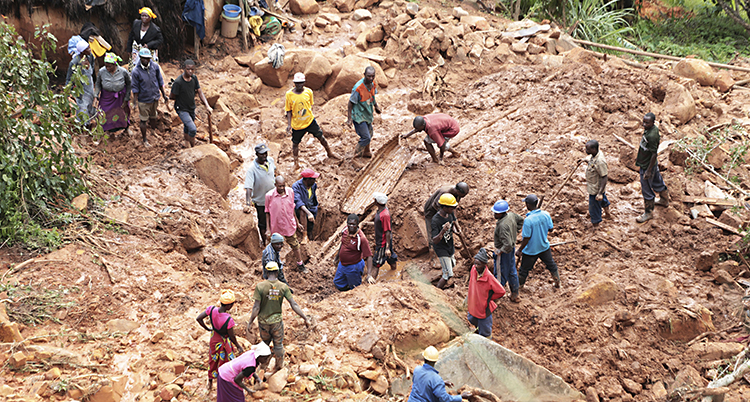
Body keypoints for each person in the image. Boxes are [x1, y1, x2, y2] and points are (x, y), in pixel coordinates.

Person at [247, 261, 311, 373]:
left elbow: (256, 307)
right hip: (276, 322)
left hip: (263, 322)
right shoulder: (283, 287)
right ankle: (279, 366)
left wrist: (250, 321)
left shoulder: (260, 287)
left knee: (265, 344)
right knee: (278, 344)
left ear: (266, 272)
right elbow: (293, 304)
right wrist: (304, 318)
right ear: (277, 272)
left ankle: (263, 367)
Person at [285, 72, 340, 170]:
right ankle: (296, 163)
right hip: (297, 125)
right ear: (294, 83)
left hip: (310, 121)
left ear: (304, 83)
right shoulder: (289, 95)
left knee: (321, 137)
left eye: (301, 83)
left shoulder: (309, 92)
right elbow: (288, 110)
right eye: (297, 83)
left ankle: (329, 152)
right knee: (295, 144)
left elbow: (310, 105)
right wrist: (289, 124)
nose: (299, 85)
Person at [195, 289, 245, 392]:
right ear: (228, 306)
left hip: (214, 339)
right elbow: (232, 336)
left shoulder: (211, 309)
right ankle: (224, 384)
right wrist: (238, 346)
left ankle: (210, 383)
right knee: (226, 362)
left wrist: (208, 328)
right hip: (223, 342)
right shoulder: (228, 319)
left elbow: (199, 318)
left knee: (213, 360)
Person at [515, 194, 560, 289]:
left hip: (531, 250)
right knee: (551, 265)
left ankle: (519, 287)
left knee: (523, 270)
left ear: (528, 204)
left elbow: (526, 238)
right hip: (544, 246)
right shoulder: (546, 214)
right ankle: (557, 282)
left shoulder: (528, 220)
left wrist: (520, 250)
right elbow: (551, 229)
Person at [265, 176, 307, 272]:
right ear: (275, 185)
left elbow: (292, 208)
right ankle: (274, 265)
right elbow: (267, 212)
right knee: (275, 247)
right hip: (276, 225)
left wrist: (297, 222)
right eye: (279, 186)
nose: (282, 188)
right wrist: (268, 228)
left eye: (283, 186)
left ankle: (300, 264)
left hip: (289, 224)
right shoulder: (269, 196)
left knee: (295, 245)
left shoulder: (290, 192)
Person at [131, 48, 169, 146]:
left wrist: (164, 95)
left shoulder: (155, 66)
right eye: (144, 58)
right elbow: (135, 88)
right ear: (140, 58)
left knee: (153, 116)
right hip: (143, 100)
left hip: (155, 97)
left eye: (148, 58)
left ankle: (153, 131)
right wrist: (135, 103)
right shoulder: (136, 71)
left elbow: (160, 81)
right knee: (143, 119)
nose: (146, 60)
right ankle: (144, 139)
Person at [169, 59, 212, 147]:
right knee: (192, 129)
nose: (190, 71)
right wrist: (182, 98)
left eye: (192, 69)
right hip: (181, 109)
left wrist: (207, 105)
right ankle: (193, 147)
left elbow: (200, 92)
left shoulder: (194, 78)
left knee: (187, 125)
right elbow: (171, 96)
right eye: (188, 69)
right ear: (184, 69)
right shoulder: (178, 82)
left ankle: (186, 141)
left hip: (191, 107)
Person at [636, 113, 669, 223]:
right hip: (651, 163)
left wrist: (648, 171)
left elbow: (654, 153)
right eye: (643, 122)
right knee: (657, 181)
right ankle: (664, 200)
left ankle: (648, 212)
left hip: (647, 165)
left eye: (647, 122)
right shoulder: (649, 130)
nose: (644, 124)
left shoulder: (652, 135)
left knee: (646, 189)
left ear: (653, 122)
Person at [467, 248, 506, 338]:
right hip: (474, 303)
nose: (476, 266)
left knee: (485, 329)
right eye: (475, 263)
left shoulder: (488, 277)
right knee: (472, 319)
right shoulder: (473, 269)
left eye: (479, 264)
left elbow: (501, 291)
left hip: (483, 307)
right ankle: (478, 332)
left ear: (484, 265)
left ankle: (486, 342)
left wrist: (489, 297)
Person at [244, 143, 276, 245]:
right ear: (257, 154)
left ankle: (275, 239)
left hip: (273, 198)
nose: (264, 156)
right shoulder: (252, 169)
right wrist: (248, 203)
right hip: (261, 201)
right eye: (262, 154)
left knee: (274, 218)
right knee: (262, 222)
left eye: (265, 153)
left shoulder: (270, 161)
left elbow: (275, 172)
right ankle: (265, 242)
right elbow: (248, 187)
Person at [334, 214, 377, 290]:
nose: (351, 226)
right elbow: (342, 244)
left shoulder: (361, 238)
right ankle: (346, 291)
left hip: (354, 266)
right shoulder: (345, 230)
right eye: (349, 224)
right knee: (338, 282)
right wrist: (337, 257)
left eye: (353, 224)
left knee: (355, 288)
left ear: (357, 224)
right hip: (342, 264)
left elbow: (369, 256)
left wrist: (369, 274)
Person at [423, 183, 470, 252]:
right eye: (464, 195)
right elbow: (435, 205)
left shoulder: (458, 195)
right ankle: (432, 251)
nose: (464, 197)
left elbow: (453, 208)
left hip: (443, 210)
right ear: (459, 191)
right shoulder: (445, 192)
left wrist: (455, 221)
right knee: (433, 231)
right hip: (431, 210)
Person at [346, 66, 381, 157]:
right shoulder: (358, 88)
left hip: (367, 113)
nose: (371, 78)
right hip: (358, 115)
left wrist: (376, 106)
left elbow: (372, 96)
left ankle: (366, 151)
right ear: (364, 75)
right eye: (368, 76)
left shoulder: (373, 84)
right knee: (365, 137)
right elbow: (350, 103)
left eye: (373, 76)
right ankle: (356, 156)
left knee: (370, 133)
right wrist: (349, 119)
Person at [432, 194, 465, 289]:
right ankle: (437, 291)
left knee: (452, 264)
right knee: (448, 274)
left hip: (449, 246)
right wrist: (443, 231)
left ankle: (442, 275)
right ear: (444, 207)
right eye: (451, 208)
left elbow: (453, 223)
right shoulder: (436, 220)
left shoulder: (450, 214)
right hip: (441, 249)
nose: (453, 209)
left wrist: (456, 231)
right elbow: (435, 240)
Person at [492, 200, 523, 303]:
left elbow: (508, 244)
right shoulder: (511, 215)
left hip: (504, 252)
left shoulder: (503, 226)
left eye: (496, 212)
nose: (494, 214)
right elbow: (521, 220)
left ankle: (496, 298)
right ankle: (515, 294)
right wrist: (515, 231)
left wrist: (501, 251)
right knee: (512, 271)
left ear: (501, 213)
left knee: (500, 274)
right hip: (511, 250)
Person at [95, 52, 131, 132]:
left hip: (120, 97)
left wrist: (127, 98)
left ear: (115, 64)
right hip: (106, 97)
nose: (107, 67)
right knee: (103, 113)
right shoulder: (101, 71)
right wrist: (96, 95)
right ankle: (105, 130)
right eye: (106, 65)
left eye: (109, 66)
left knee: (123, 112)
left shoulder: (123, 71)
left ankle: (126, 127)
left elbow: (129, 84)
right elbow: (98, 84)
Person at [66, 40, 95, 123]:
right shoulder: (75, 62)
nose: (90, 49)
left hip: (89, 85)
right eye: (88, 48)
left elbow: (91, 69)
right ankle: (82, 126)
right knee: (82, 106)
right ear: (82, 51)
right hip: (81, 88)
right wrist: (68, 92)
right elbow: (69, 78)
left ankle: (88, 124)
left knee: (90, 104)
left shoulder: (90, 57)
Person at [584, 139, 612, 226]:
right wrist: (584, 160)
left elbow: (605, 177)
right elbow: (592, 161)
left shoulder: (600, 162)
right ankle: (607, 214)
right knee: (603, 199)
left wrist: (599, 193)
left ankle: (596, 225)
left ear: (594, 149)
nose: (586, 151)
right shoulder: (595, 155)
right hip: (595, 185)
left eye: (587, 149)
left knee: (594, 208)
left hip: (595, 189)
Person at [372, 192, 397, 276]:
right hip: (385, 241)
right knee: (391, 258)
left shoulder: (384, 215)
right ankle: (394, 273)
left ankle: (370, 284)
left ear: (377, 202)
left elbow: (387, 231)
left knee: (376, 263)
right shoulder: (382, 210)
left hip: (382, 243)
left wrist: (387, 248)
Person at [292, 169, 320, 242]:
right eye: (313, 179)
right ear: (308, 180)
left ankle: (310, 235)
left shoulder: (313, 185)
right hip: (301, 209)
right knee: (302, 212)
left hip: (311, 207)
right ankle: (304, 235)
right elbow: (299, 202)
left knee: (311, 224)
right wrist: (308, 213)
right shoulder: (296, 186)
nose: (315, 180)